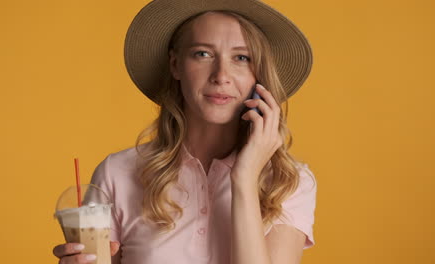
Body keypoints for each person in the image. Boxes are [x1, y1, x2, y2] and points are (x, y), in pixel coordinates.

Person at [53, 0, 317, 263]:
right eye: (203, 54)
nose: (221, 75)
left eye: (241, 57)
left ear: (258, 75)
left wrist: (245, 178)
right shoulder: (116, 173)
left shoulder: (288, 182)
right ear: (176, 65)